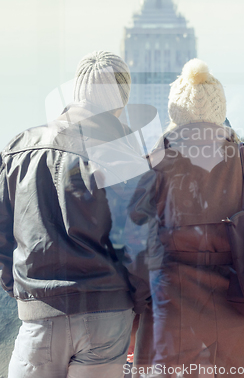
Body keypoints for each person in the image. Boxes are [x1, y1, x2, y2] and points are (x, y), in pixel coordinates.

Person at [132, 59, 244, 378]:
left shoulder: (149, 168)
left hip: (170, 330)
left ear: (174, 113)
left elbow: (130, 257)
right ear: (219, 111)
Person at [0, 51, 154, 378]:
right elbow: (141, 245)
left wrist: (22, 292)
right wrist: (137, 306)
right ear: (120, 104)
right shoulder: (124, 154)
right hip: (106, 315)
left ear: (76, 93)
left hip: (39, 316)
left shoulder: (19, 148)